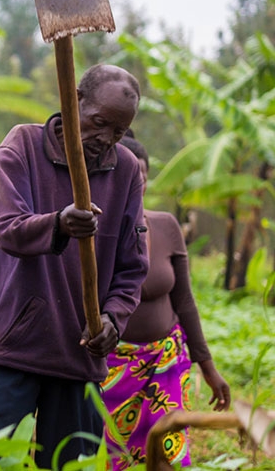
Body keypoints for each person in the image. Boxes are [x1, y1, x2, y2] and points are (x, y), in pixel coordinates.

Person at [0, 64, 149, 468]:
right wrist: (59, 223)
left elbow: (132, 269)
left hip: (80, 357)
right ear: (74, 100)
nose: (106, 139)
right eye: (99, 123)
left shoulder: (127, 171)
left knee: (70, 465)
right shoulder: (23, 145)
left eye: (118, 132)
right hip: (13, 346)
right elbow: (9, 231)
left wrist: (113, 320)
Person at [102, 135, 231, 470]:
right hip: (111, 368)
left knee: (167, 454)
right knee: (112, 455)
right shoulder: (94, 232)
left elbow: (184, 301)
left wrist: (208, 367)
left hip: (166, 362)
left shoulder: (165, 226)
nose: (137, 182)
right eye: (128, 173)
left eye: (141, 174)